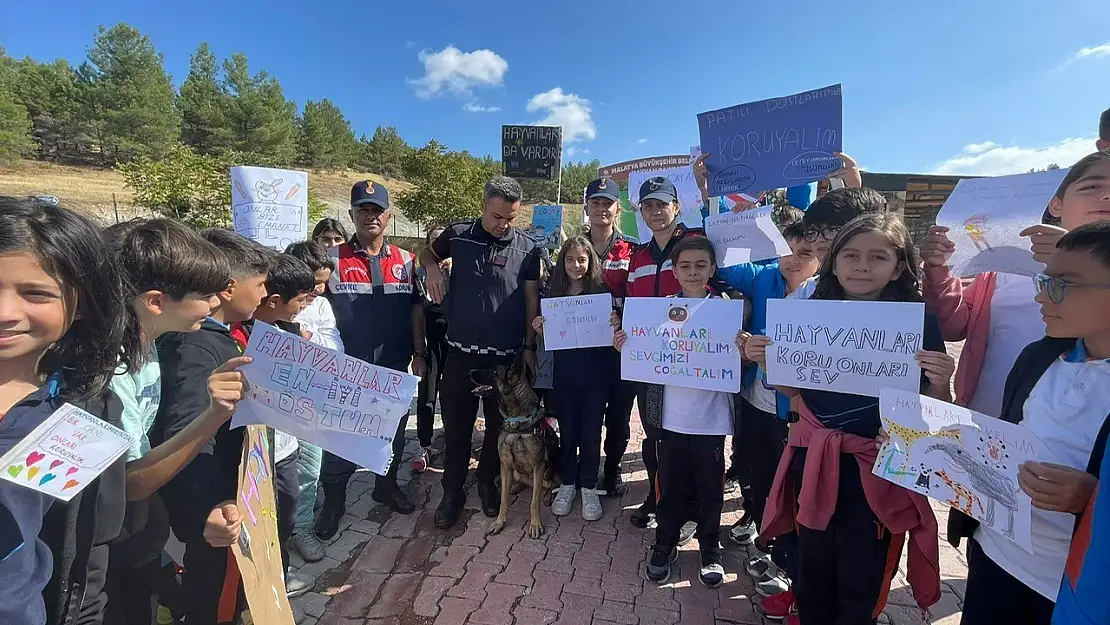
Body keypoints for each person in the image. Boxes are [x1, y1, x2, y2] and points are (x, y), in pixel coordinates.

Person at [752, 213, 954, 625]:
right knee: (812, 572)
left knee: (862, 580)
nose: (862, 266)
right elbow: (792, 394)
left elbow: (933, 413)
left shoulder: (920, 323)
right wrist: (768, 362)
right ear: (834, 263)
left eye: (878, 257)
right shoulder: (808, 317)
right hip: (815, 462)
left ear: (898, 266)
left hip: (877, 471)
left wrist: (940, 381)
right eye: (851, 255)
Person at [945, 221, 1110, 625]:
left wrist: (1094, 501)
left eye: (1061, 284)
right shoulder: (1037, 357)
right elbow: (1005, 441)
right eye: (1043, 280)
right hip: (995, 554)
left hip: (1073, 590)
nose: (1040, 295)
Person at [102, 218, 250, 625]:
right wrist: (214, 414)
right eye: (205, 296)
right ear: (155, 301)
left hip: (142, 540)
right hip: (107, 557)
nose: (212, 306)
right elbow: (130, 481)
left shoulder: (147, 346)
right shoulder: (108, 370)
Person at [0, 197, 129, 625]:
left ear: (80, 306)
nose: (5, 313)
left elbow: (85, 544)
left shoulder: (85, 409)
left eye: (36, 294)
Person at [920, 151, 1110, 417]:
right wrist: (939, 269)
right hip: (986, 417)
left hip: (1075, 442)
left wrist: (1074, 262)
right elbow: (952, 327)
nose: (1106, 196)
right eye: (1092, 186)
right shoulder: (1007, 263)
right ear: (1055, 204)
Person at [152, 228, 272, 625]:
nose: (264, 293)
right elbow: (184, 429)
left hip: (235, 500)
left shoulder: (222, 336)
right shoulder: (194, 346)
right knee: (215, 601)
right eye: (260, 284)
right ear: (229, 286)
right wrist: (207, 505)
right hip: (219, 516)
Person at [614, 236, 741, 588]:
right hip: (668, 419)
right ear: (674, 270)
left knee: (710, 489)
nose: (693, 272)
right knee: (668, 486)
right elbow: (642, 350)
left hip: (711, 421)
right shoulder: (658, 310)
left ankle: (710, 547)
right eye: (685, 266)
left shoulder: (727, 310)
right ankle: (664, 542)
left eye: (701, 265)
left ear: (713, 270)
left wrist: (741, 350)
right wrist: (625, 344)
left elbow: (737, 362)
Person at [420, 175, 542, 530]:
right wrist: (431, 268)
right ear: (484, 206)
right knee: (456, 428)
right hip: (460, 355)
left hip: (504, 361)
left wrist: (529, 348)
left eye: (510, 218)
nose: (503, 224)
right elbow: (427, 253)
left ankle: (488, 485)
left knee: (496, 430)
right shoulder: (457, 235)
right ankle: (452, 492)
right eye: (496, 216)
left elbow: (532, 299)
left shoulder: (528, 249)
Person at [716, 218, 821, 600]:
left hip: (793, 407)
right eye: (787, 252)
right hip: (752, 397)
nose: (794, 260)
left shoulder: (827, 295)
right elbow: (724, 262)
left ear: (821, 258)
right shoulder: (764, 278)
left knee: (789, 481)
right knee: (749, 466)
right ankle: (758, 522)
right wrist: (715, 196)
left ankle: (783, 553)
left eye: (805, 254)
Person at [315, 180, 427, 535]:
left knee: (392, 433)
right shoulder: (331, 260)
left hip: (394, 367)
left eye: (376, 210)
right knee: (339, 437)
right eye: (363, 210)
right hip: (346, 370)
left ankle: (385, 485)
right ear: (351, 215)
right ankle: (334, 502)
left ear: (388, 216)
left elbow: (417, 311)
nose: (370, 216)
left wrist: (420, 352)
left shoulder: (407, 261)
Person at [624, 175, 730, 540]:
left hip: (695, 365)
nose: (655, 211)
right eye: (648, 205)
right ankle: (660, 501)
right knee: (657, 438)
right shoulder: (637, 255)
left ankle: (690, 514)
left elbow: (722, 296)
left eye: (661, 204)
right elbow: (630, 307)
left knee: (694, 445)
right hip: (652, 363)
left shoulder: (695, 244)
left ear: (676, 206)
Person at [236, 253, 317, 597]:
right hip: (255, 452)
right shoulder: (239, 337)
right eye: (301, 299)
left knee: (286, 512)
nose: (305, 306)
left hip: (285, 447)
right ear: (273, 300)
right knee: (257, 521)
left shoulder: (290, 332)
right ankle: (253, 588)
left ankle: (278, 577)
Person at [532, 236, 613, 521]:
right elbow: (551, 337)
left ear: (590, 262)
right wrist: (541, 329)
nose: (576, 265)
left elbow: (613, 333)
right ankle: (568, 483)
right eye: (570, 259)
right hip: (565, 374)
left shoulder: (602, 292)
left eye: (581, 259)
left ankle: (589, 485)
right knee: (567, 430)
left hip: (596, 374)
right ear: (561, 262)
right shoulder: (553, 294)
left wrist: (615, 322)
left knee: (591, 432)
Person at [282, 241, 344, 563]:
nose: (320, 289)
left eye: (324, 282)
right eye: (315, 282)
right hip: (276, 404)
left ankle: (301, 527)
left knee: (309, 465)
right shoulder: (272, 304)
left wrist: (307, 339)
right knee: (280, 473)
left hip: (310, 401)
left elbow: (336, 348)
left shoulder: (321, 307)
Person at [582, 177, 637, 496]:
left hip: (620, 346)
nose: (601, 208)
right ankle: (583, 467)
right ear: (587, 208)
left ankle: (613, 469)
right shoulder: (574, 247)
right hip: (586, 347)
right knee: (587, 411)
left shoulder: (632, 248)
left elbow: (642, 295)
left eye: (607, 203)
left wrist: (625, 317)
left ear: (618, 208)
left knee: (618, 414)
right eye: (595, 203)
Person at [413, 226, 451, 474]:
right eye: (435, 241)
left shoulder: (460, 271)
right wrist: (419, 351)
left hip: (456, 340)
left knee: (455, 397)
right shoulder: (419, 273)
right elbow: (416, 310)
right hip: (431, 339)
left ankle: (456, 440)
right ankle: (423, 444)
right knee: (427, 394)